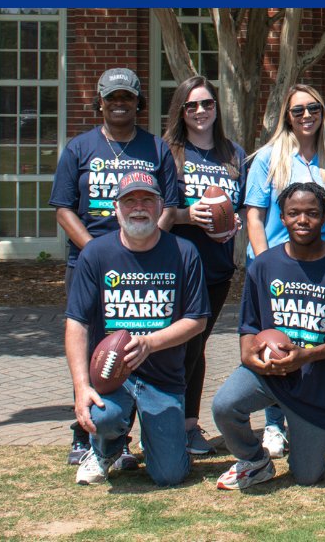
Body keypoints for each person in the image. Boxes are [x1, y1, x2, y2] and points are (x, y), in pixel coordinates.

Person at [49, 66, 180, 467]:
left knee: (138, 340)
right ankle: (87, 430)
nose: (119, 104)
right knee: (92, 343)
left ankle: (130, 434)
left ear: (138, 102)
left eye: (127, 98)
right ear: (100, 103)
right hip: (90, 260)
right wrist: (98, 252)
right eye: (112, 98)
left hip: (148, 259)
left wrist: (145, 246)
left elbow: (170, 207)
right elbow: (63, 208)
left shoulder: (156, 148)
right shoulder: (79, 147)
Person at [64, 172, 208, 486]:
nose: (138, 207)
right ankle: (106, 449)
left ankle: (158, 441)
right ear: (116, 208)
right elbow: (77, 323)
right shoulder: (96, 254)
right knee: (104, 416)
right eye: (129, 200)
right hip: (111, 376)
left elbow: (197, 320)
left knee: (170, 475)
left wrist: (150, 343)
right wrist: (81, 387)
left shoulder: (184, 253)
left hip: (163, 377)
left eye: (147, 200)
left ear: (160, 208)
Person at [213, 181, 325, 489]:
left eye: (311, 213)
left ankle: (305, 441)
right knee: (224, 405)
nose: (302, 220)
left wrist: (309, 355)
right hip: (269, 375)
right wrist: (247, 355)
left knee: (307, 477)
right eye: (293, 213)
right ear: (281, 216)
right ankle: (254, 460)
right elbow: (249, 325)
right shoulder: (264, 265)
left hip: (315, 386)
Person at [244, 82, 325, 458]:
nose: (306, 116)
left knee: (312, 343)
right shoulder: (269, 157)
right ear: (287, 115)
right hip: (275, 265)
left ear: (322, 113)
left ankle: (309, 416)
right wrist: (264, 264)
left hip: (320, 267)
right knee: (274, 341)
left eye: (313, 109)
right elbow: (253, 216)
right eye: (298, 110)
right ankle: (273, 424)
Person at [164, 76, 246, 457]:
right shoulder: (168, 151)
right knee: (175, 346)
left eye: (207, 104)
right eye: (192, 105)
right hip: (175, 265)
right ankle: (163, 422)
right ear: (181, 110)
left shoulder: (233, 154)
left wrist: (235, 221)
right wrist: (186, 214)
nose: (201, 111)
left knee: (197, 346)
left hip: (215, 268)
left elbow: (240, 206)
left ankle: (188, 425)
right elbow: (157, 212)